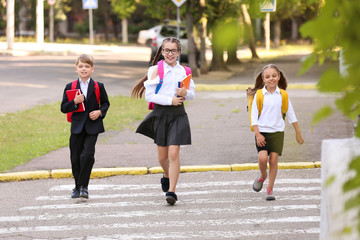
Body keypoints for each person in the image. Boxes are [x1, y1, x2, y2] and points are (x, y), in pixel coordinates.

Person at [131, 37, 195, 205]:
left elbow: (193, 94)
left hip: (178, 115)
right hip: (160, 114)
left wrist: (185, 93)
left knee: (174, 153)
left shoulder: (185, 71)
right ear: (162, 51)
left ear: (179, 52)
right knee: (162, 157)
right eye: (166, 50)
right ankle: (166, 174)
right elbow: (149, 96)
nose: (170, 54)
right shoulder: (155, 70)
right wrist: (170, 100)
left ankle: (172, 191)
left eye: (173, 50)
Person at [247, 64, 304, 201]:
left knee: (273, 160)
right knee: (262, 158)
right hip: (262, 132)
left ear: (279, 77)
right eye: (267, 77)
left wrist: (298, 132)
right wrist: (257, 134)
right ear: (263, 79)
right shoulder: (259, 95)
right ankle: (262, 176)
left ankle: (269, 189)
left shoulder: (283, 95)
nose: (271, 79)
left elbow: (291, 114)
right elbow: (253, 116)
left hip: (278, 133)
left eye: (274, 76)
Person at [61, 54, 110, 199]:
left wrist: (100, 112)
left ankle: (84, 187)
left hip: (92, 127)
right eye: (81, 66)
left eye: (87, 66)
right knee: (75, 158)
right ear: (76, 69)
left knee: (87, 155)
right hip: (76, 127)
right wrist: (75, 102)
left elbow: (106, 103)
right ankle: (77, 186)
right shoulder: (70, 87)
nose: (84, 69)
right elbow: (64, 108)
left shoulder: (98, 86)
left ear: (92, 69)